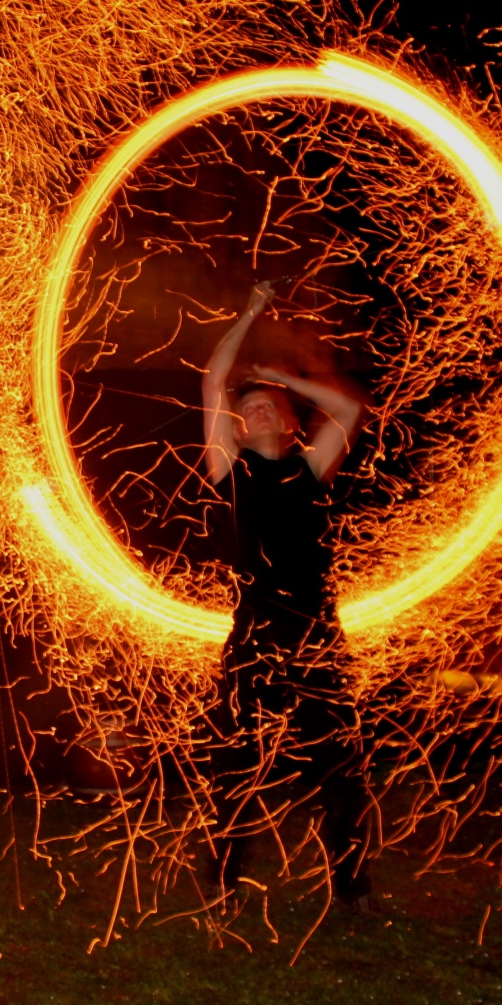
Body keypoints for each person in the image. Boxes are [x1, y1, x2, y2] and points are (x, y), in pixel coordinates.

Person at [202, 280, 374, 908]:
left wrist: (287, 379)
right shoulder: (232, 471)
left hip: (317, 635)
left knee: (338, 767)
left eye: (268, 406)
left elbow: (350, 412)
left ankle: (349, 883)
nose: (256, 412)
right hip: (255, 635)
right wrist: (249, 312)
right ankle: (221, 874)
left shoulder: (309, 469)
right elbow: (214, 377)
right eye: (247, 410)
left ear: (292, 422)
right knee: (236, 763)